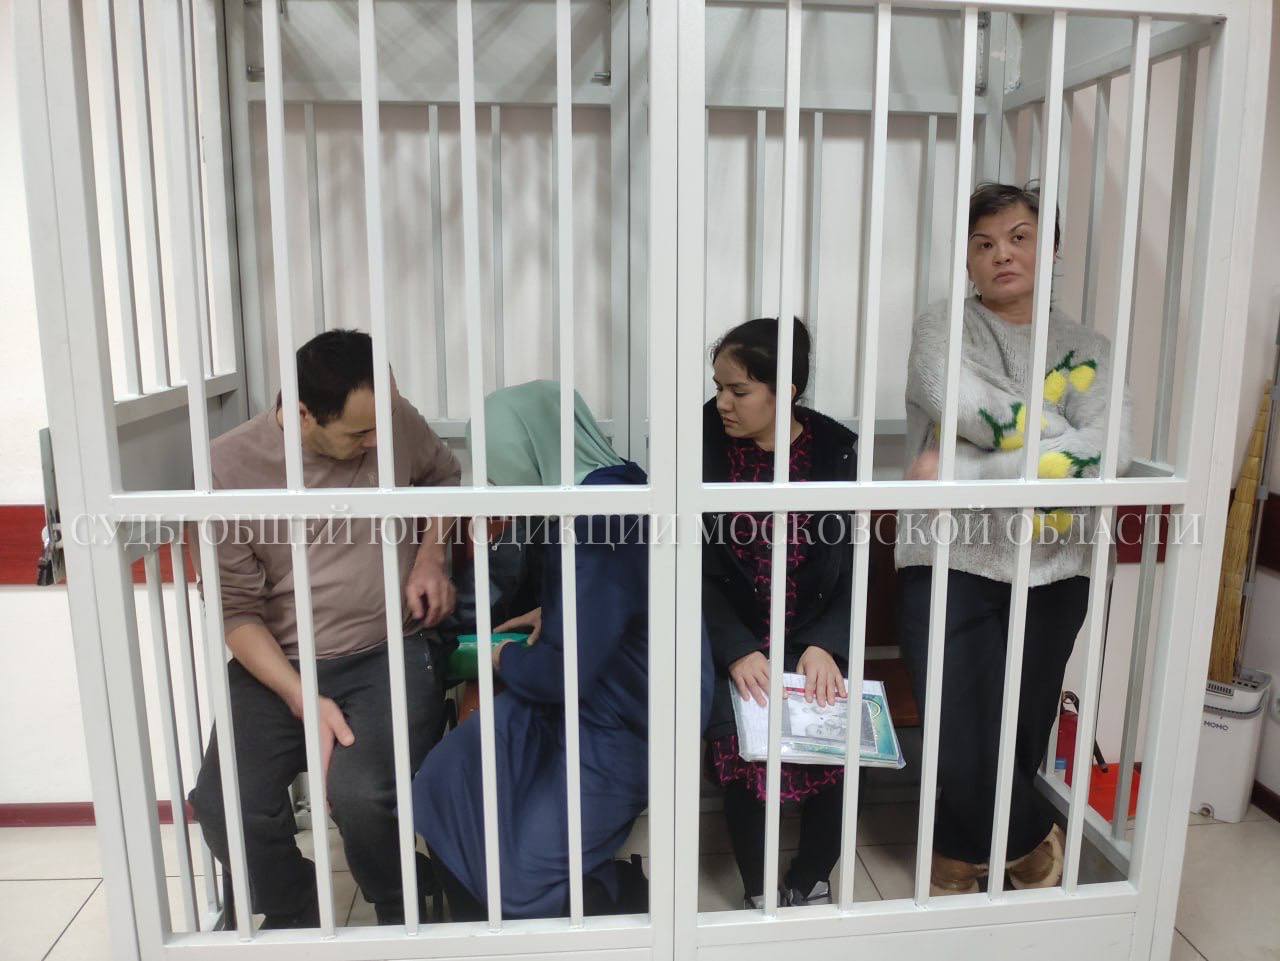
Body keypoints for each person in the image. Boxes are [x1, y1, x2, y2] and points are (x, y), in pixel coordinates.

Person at [896, 182, 1134, 895]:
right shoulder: (943, 329)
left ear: (1050, 249)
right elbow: (962, 404)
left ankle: (960, 848)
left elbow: (1109, 451)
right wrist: (1061, 435)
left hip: (1055, 563)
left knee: (1024, 728)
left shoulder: (1090, 347)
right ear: (968, 259)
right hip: (947, 551)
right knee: (955, 729)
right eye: (984, 243)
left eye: (1020, 237)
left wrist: (963, 467)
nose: (1002, 254)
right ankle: (1027, 839)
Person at [189, 329, 461, 927]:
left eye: (382, 424)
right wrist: (301, 697)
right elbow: (236, 612)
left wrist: (430, 554)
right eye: (359, 434)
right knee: (225, 803)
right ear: (302, 414)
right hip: (278, 662)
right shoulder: (228, 466)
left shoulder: (390, 420)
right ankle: (294, 909)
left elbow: (443, 478)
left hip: (387, 648)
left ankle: (401, 899)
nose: (378, 442)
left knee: (361, 797)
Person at [412, 380, 712, 920]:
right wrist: (555, 613)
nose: (497, 483)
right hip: (588, 691)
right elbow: (617, 601)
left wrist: (500, 657)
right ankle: (481, 914)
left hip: (630, 718)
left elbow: (561, 671)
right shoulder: (615, 486)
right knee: (445, 781)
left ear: (529, 447)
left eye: (499, 463)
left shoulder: (595, 520)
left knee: (522, 882)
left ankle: (613, 893)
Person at [702, 317, 859, 909]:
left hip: (811, 631)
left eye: (738, 390)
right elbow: (691, 565)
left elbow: (852, 564)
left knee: (835, 738)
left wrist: (827, 644)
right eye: (719, 388)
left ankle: (812, 875)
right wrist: (735, 647)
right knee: (745, 746)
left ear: (785, 391)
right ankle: (759, 888)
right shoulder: (702, 448)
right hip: (736, 635)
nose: (723, 403)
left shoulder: (835, 451)